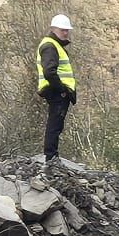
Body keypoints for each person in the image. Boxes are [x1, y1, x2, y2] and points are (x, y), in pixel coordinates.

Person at [35, 14, 77, 160]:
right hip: (56, 91)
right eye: (62, 30)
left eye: (67, 30)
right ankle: (51, 158)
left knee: (56, 125)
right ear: (53, 29)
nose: (65, 33)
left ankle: (52, 157)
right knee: (54, 125)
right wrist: (62, 90)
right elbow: (49, 71)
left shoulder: (53, 45)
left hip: (56, 91)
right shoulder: (50, 45)